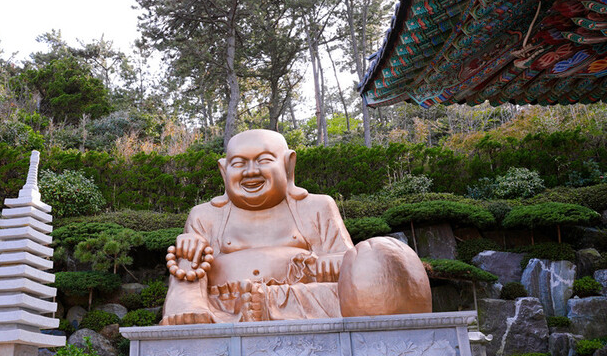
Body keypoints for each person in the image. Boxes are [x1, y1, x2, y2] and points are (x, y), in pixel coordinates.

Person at [161, 129, 431, 325]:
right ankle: (190, 310)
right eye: (239, 163)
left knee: (358, 292)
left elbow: (351, 263)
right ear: (223, 171)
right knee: (185, 258)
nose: (251, 171)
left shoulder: (317, 206)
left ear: (288, 164)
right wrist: (192, 247)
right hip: (225, 302)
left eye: (264, 160)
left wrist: (324, 263)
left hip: (303, 297)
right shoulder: (205, 215)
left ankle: (268, 305)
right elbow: (189, 268)